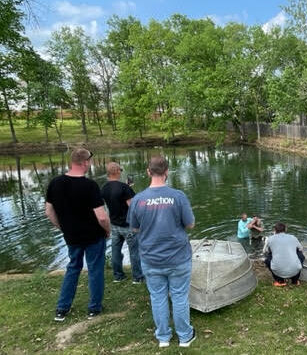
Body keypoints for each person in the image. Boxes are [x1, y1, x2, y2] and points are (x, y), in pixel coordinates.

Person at [127, 156, 196, 348]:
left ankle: (163, 338)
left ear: (148, 172)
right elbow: (190, 224)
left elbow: (134, 228)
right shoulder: (178, 196)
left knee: (157, 296)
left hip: (151, 258)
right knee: (180, 296)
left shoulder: (138, 199)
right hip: (178, 258)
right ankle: (184, 337)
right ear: (167, 172)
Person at [45, 148, 111, 322]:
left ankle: (62, 308)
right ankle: (94, 308)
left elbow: (49, 211)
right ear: (85, 162)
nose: (90, 163)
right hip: (93, 236)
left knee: (73, 268)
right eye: (89, 161)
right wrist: (107, 230)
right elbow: (102, 217)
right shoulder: (89, 186)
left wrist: (63, 227)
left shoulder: (55, 183)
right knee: (95, 269)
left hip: (71, 236)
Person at [101, 162, 143, 284]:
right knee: (134, 251)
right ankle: (138, 277)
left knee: (115, 251)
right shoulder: (125, 188)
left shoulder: (104, 187)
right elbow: (133, 206)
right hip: (127, 225)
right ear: (117, 171)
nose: (121, 171)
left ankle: (118, 276)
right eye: (121, 169)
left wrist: (126, 187)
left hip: (114, 225)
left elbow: (114, 197)